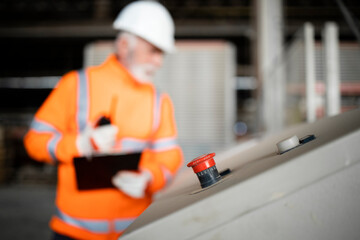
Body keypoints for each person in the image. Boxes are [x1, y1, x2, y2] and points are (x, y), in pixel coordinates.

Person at [23, 1, 183, 239]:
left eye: (162, 53)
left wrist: (149, 177)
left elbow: (170, 156)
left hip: (136, 230)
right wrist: (79, 145)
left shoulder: (159, 99)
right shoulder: (75, 85)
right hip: (74, 232)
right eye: (153, 50)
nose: (159, 62)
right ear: (124, 45)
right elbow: (34, 142)